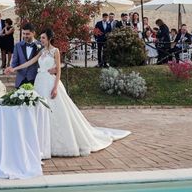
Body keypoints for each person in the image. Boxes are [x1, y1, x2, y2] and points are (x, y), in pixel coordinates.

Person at [7, 29, 130, 157]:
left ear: (49, 39)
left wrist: (55, 88)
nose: (41, 40)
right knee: (41, 111)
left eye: (43, 38)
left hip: (50, 83)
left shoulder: (56, 51)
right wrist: (13, 68)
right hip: (40, 83)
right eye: (41, 38)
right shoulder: (42, 51)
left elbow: (58, 70)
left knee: (55, 111)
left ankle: (58, 144)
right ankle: (42, 142)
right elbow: (29, 62)